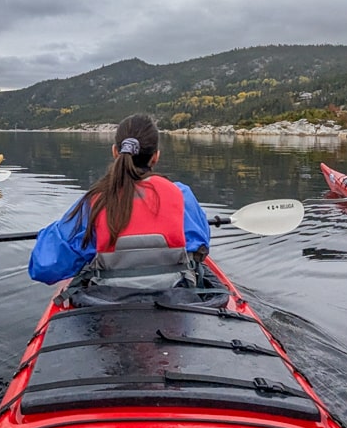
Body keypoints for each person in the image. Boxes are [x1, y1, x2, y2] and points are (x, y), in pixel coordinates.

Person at [28, 114, 211, 294]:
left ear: (115, 151)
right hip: (175, 298)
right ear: (155, 157)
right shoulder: (182, 195)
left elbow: (43, 267)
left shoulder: (95, 202)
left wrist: (51, 233)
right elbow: (201, 245)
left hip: (108, 304)